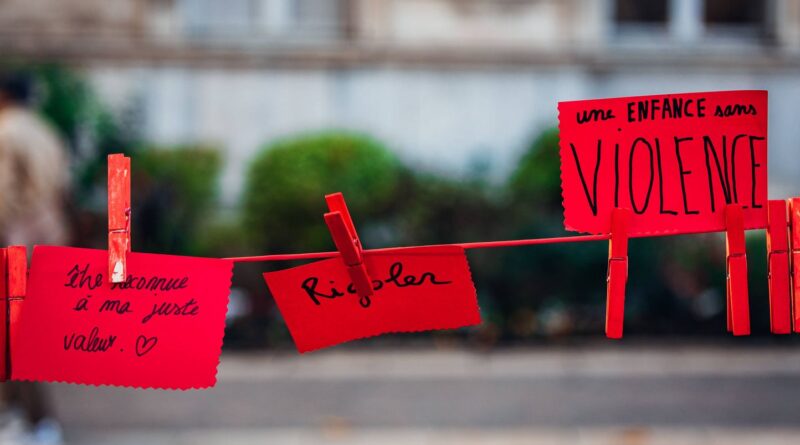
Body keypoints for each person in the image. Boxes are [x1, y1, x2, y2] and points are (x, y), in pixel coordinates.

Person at [0, 70, 69, 445]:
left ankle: (22, 421)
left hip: (13, 247)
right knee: (28, 338)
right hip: (47, 245)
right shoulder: (47, 132)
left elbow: (3, 196)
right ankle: (40, 424)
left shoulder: (6, 133)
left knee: (11, 338)